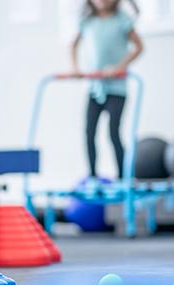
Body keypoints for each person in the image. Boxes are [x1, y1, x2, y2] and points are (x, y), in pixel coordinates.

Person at [70, 0, 143, 179]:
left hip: (116, 88)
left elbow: (138, 47)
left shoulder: (122, 20)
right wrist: (76, 69)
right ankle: (93, 175)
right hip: (95, 87)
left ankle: (123, 176)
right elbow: (73, 45)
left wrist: (120, 67)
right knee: (89, 132)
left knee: (113, 132)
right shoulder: (87, 21)